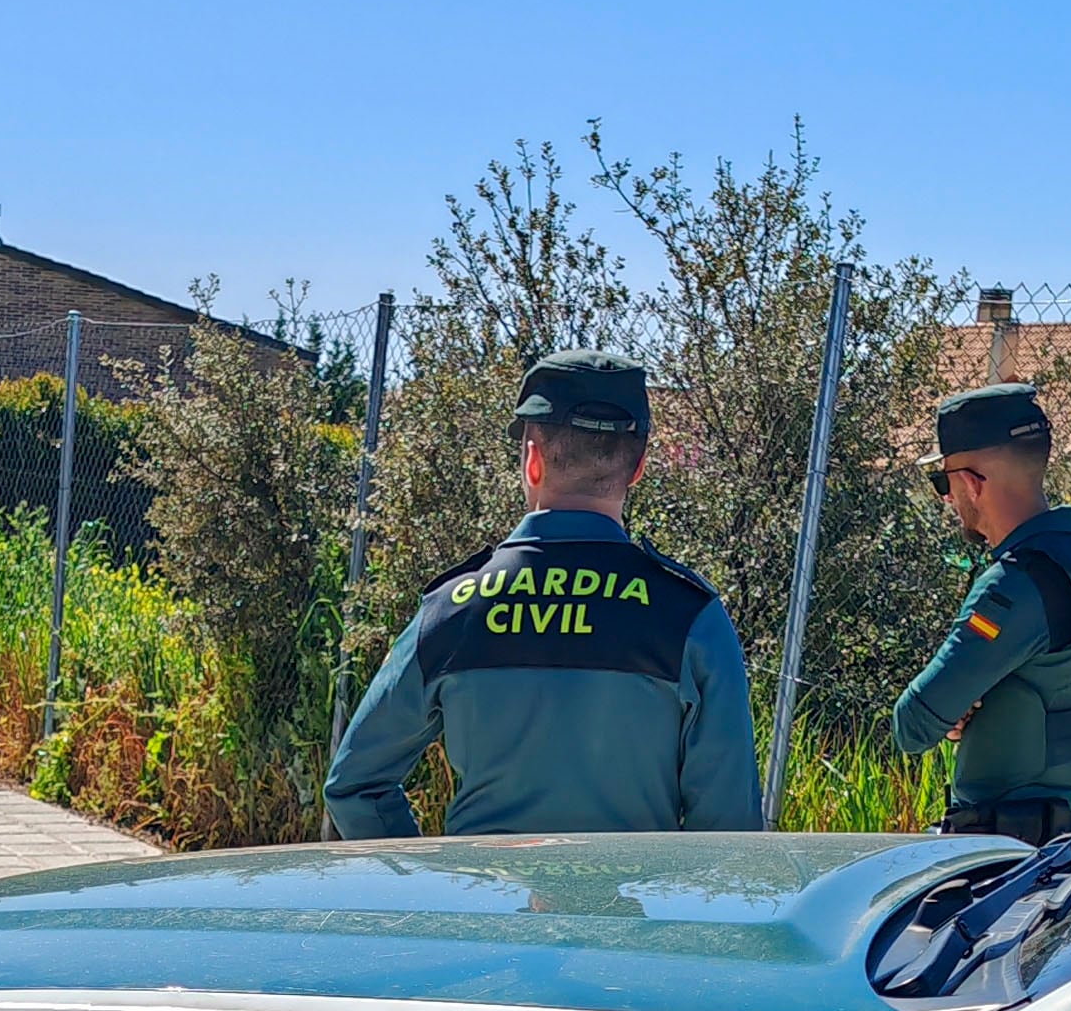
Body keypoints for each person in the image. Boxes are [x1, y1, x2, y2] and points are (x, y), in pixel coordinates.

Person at [326, 350, 762, 839]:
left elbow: (355, 786)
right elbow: (729, 833)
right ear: (637, 466)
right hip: (627, 915)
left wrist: (432, 891)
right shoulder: (691, 616)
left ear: (532, 460)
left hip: (486, 914)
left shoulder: (452, 611)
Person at [887, 383, 1071, 843]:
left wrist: (956, 704)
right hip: (1070, 835)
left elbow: (913, 725)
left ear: (971, 483)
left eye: (943, 482)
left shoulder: (1015, 584)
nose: (946, 498)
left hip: (1005, 851)